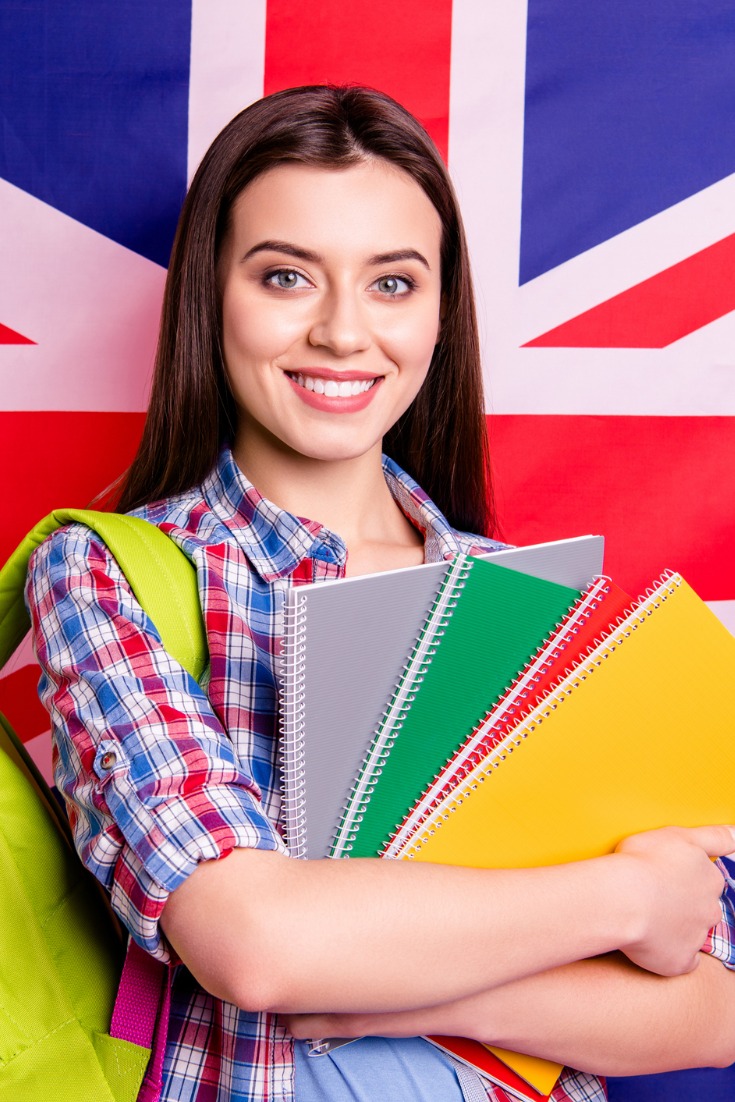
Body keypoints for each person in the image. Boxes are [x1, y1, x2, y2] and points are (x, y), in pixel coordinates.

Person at [27, 85, 735, 1102]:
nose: (343, 333)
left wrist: (414, 996)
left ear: (442, 313)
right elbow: (255, 942)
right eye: (285, 277)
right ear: (210, 296)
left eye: (394, 284)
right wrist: (624, 896)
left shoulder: (534, 603)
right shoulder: (113, 573)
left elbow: (708, 1008)